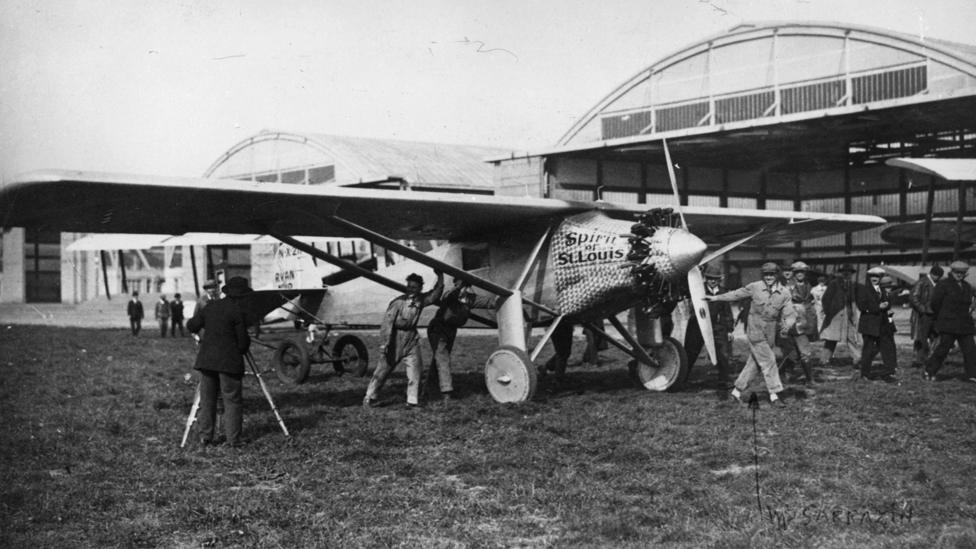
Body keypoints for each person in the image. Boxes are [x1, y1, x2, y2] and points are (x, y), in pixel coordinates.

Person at [705, 262, 796, 407]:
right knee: (769, 359)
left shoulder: (784, 293)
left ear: (776, 275)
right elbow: (735, 294)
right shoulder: (755, 287)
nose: (769, 277)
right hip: (755, 329)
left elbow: (790, 313)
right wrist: (715, 298)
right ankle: (775, 394)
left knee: (755, 363)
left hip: (771, 331)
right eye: (766, 274)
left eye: (772, 274)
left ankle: (736, 392)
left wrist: (788, 324)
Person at [187, 276, 253, 447]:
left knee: (207, 400)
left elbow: (192, 325)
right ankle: (233, 440)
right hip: (229, 363)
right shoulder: (238, 311)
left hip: (207, 361)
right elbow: (243, 343)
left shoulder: (211, 306)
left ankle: (205, 437)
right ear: (241, 296)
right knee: (231, 400)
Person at [364, 271, 444, 408]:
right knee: (383, 370)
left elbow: (434, 295)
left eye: (414, 287)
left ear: (420, 289)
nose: (411, 290)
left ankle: (412, 401)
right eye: (409, 287)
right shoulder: (398, 303)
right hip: (395, 338)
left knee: (415, 369)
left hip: (411, 338)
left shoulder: (420, 301)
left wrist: (440, 276)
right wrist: (385, 344)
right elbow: (387, 323)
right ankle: (370, 397)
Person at [426, 277, 498, 401]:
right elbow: (450, 298)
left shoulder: (470, 299)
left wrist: (503, 299)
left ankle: (428, 389)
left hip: (451, 330)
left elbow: (489, 303)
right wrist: (459, 287)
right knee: (442, 359)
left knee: (439, 360)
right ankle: (446, 392)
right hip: (438, 329)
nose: (466, 288)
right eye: (461, 284)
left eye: (467, 285)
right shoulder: (450, 294)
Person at [924, 261, 976, 382]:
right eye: (957, 272)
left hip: (965, 324)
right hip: (948, 324)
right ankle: (929, 371)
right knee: (943, 349)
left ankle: (972, 374)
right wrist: (942, 317)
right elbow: (935, 303)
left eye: (962, 273)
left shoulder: (967, 286)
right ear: (951, 272)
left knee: (971, 350)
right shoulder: (943, 285)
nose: (959, 275)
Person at [683, 264, 734, 388]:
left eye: (715, 279)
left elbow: (727, 312)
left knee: (723, 353)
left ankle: (724, 380)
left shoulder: (722, 293)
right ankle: (682, 379)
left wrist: (729, 330)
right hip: (697, 326)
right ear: (705, 278)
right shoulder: (697, 290)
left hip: (716, 327)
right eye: (710, 278)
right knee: (690, 353)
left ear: (719, 280)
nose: (712, 281)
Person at [854, 268, 897, 382]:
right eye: (872, 276)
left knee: (886, 348)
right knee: (868, 349)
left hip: (882, 324)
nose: (874, 278)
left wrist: (887, 307)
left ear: (881, 277)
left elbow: (888, 305)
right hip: (869, 324)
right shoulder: (863, 289)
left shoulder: (883, 290)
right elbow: (862, 306)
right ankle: (865, 374)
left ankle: (889, 373)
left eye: (877, 276)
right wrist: (878, 307)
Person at [778, 261, 818, 384]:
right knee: (799, 353)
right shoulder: (787, 287)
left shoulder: (808, 285)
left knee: (800, 353)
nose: (800, 274)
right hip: (792, 323)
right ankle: (807, 379)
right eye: (797, 272)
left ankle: (807, 379)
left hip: (805, 322)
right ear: (793, 273)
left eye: (802, 272)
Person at [819, 264, 862, 367]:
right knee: (831, 338)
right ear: (841, 273)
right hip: (835, 315)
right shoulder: (834, 283)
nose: (847, 274)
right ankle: (824, 360)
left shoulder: (853, 284)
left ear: (852, 274)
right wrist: (829, 312)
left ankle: (857, 359)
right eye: (844, 272)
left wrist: (854, 313)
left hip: (848, 313)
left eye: (849, 272)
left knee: (851, 336)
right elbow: (825, 299)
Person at [909, 265, 943, 368]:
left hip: (933, 315)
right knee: (921, 338)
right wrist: (923, 309)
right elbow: (913, 298)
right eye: (938, 276)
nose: (938, 278)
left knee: (935, 336)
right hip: (922, 316)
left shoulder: (935, 283)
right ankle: (919, 361)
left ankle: (928, 359)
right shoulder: (922, 282)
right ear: (933, 274)